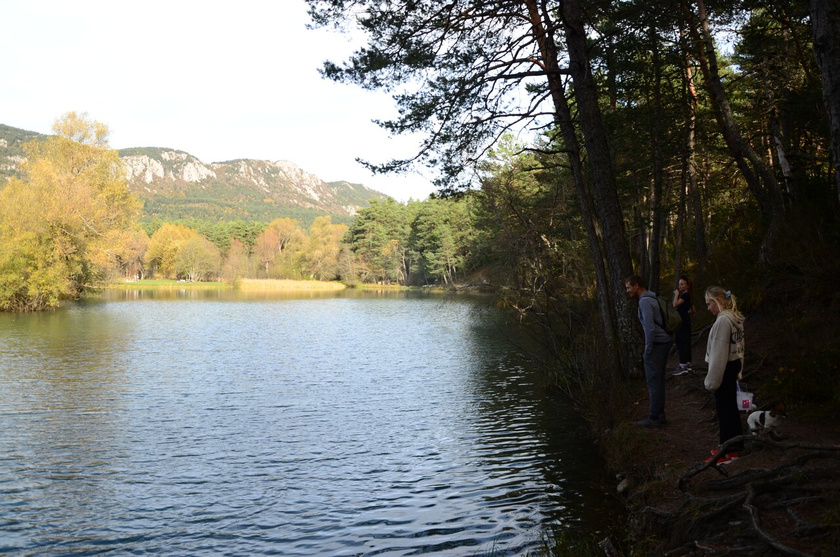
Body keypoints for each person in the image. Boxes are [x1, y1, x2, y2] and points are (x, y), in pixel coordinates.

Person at [703, 286, 746, 465]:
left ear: (718, 302)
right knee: (730, 408)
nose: (708, 308)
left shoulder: (723, 321)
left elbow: (719, 354)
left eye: (709, 304)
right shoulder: (735, 317)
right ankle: (735, 445)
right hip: (733, 365)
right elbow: (740, 348)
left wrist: (712, 381)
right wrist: (740, 370)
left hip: (724, 367)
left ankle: (727, 450)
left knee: (725, 409)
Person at [626, 275, 672, 427]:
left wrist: (648, 349)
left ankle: (654, 417)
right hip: (663, 342)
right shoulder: (652, 297)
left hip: (657, 344)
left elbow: (650, 329)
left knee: (653, 381)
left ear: (637, 286)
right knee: (657, 380)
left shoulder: (645, 301)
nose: (627, 291)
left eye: (628, 287)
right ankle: (658, 413)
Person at [672, 275, 695, 376]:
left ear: (687, 286)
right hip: (686, 320)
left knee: (681, 341)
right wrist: (685, 313)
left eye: (682, 284)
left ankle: (682, 365)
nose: (679, 286)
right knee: (686, 341)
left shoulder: (684, 295)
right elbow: (693, 310)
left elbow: (674, 304)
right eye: (679, 284)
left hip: (682, 322)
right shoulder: (689, 296)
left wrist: (676, 294)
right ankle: (688, 363)